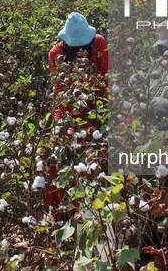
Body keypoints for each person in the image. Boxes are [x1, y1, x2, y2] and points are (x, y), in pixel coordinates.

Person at [46, 12, 111, 209]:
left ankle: (95, 214)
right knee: (58, 164)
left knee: (98, 162)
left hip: (96, 112)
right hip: (67, 115)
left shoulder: (98, 44)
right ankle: (63, 214)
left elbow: (108, 81)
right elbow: (60, 93)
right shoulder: (55, 54)